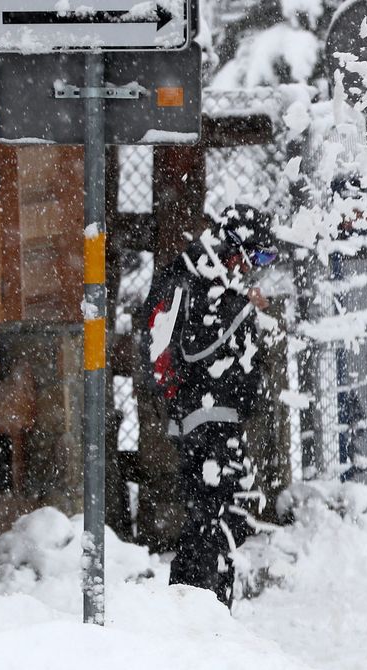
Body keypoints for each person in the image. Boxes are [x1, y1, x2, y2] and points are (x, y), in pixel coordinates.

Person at [144, 204, 279, 608]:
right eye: (258, 257)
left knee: (209, 511)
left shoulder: (197, 275)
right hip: (209, 413)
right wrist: (246, 311)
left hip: (202, 412)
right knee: (224, 509)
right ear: (236, 248)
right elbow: (201, 349)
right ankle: (203, 606)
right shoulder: (208, 285)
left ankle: (193, 601)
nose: (257, 267)